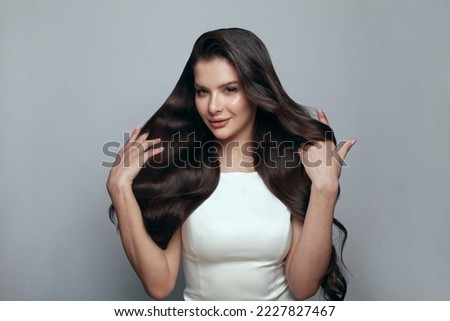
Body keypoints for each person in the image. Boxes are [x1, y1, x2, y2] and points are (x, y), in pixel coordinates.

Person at [106, 28, 355, 301]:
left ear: (256, 90)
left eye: (230, 90)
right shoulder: (183, 172)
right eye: (202, 92)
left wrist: (325, 189)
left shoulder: (290, 169)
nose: (213, 106)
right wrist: (119, 189)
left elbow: (303, 285)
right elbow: (159, 284)